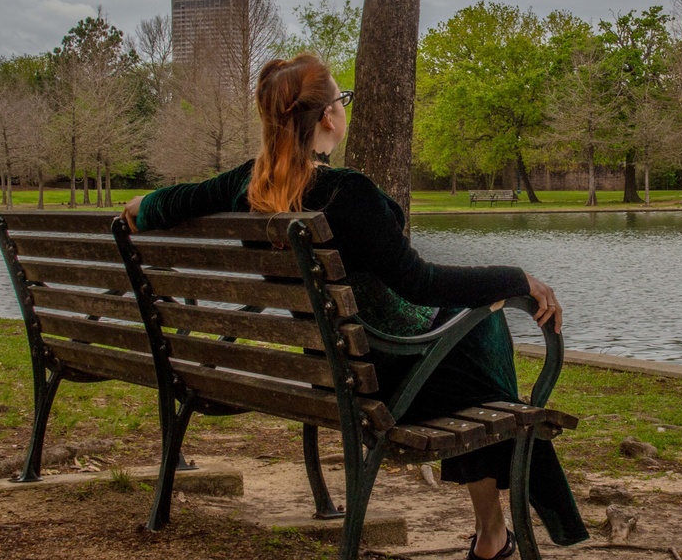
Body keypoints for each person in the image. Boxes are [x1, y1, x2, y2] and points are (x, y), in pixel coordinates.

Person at [122, 53, 588, 560]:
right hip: (389, 382)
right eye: (342, 100)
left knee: (471, 337)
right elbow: (421, 282)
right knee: (482, 332)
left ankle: (494, 535)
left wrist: (141, 207)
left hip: (333, 372)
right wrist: (516, 278)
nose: (344, 109)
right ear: (327, 117)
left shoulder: (248, 186)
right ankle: (506, 529)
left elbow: (178, 199)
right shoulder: (349, 193)